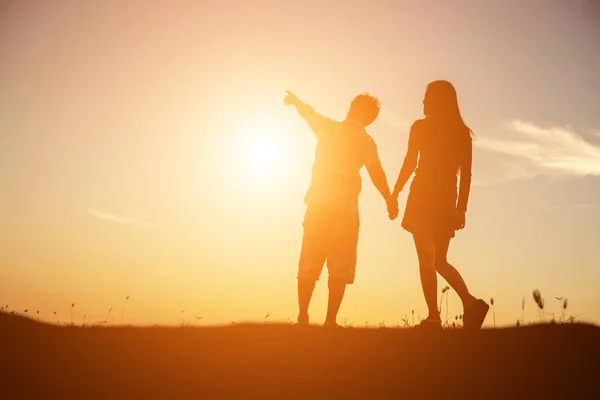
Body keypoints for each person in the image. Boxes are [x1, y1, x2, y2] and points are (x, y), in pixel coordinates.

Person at [284, 90, 396, 327]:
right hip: (344, 210)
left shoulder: (329, 128)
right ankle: (330, 322)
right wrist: (389, 198)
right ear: (370, 119)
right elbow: (376, 171)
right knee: (339, 266)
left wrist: (295, 101)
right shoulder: (365, 141)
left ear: (351, 108)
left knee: (309, 262)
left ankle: (303, 317)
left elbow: (309, 113)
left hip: (318, 204)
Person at [387, 80, 488, 329]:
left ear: (437, 100)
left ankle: (433, 317)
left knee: (428, 258)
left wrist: (396, 191)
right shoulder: (461, 133)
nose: (423, 101)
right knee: (438, 260)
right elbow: (466, 175)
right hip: (445, 199)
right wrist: (461, 207)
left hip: (423, 196)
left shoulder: (421, 128)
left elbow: (410, 162)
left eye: (427, 96)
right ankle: (470, 303)